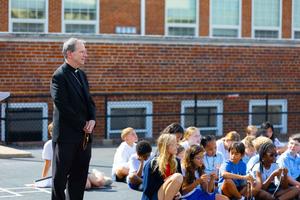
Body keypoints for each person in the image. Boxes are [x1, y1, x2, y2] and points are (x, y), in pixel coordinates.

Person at [50, 38, 96, 200]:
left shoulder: (81, 74)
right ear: (70, 54)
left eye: (85, 51)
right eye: (82, 51)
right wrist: (82, 124)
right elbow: (62, 106)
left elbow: (89, 101)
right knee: (60, 180)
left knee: (79, 178)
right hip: (66, 138)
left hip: (84, 138)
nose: (86, 55)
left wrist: (92, 119)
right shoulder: (59, 76)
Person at [142, 134, 183, 200]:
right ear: (166, 146)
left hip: (169, 197)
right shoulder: (152, 163)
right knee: (178, 176)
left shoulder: (176, 161)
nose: (177, 146)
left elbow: (179, 186)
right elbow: (147, 189)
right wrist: (166, 181)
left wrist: (178, 193)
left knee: (178, 178)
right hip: (154, 197)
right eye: (174, 144)